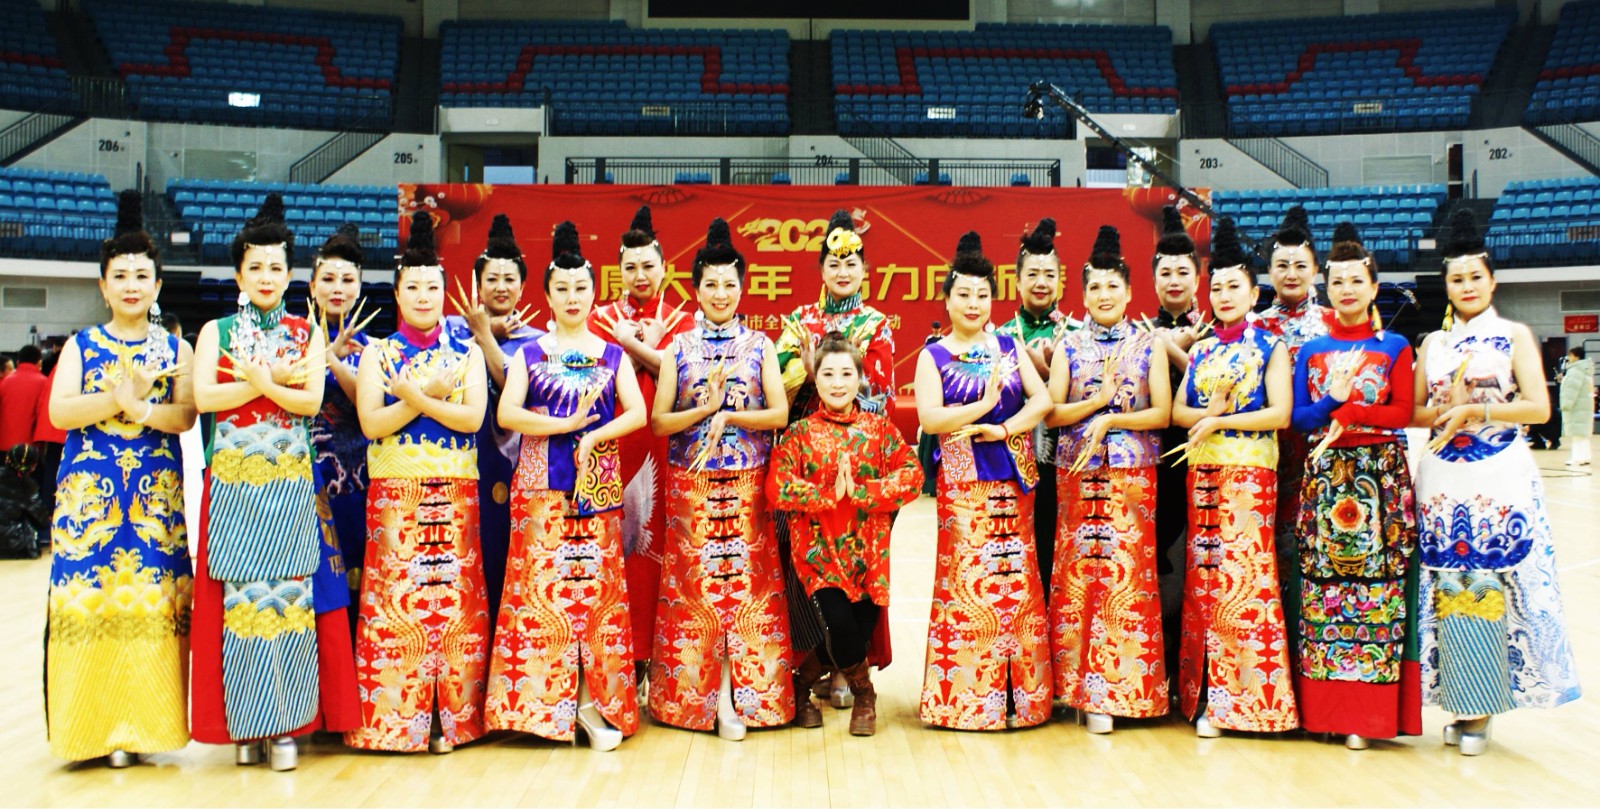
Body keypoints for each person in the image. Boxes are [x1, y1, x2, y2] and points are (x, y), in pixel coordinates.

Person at [1412, 209, 1582, 757]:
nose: (1466, 286)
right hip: (1443, 481)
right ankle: (1461, 702)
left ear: (1492, 281)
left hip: (1498, 479)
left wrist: (1476, 409)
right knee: (1448, 590)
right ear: (1446, 285)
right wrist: (1445, 408)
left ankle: (1481, 709)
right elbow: (1414, 412)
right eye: (1456, 279)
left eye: (1474, 277)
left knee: (1488, 587)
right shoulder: (1434, 345)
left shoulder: (1513, 336)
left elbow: (1538, 407)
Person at [43, 191, 195, 766]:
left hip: (155, 503)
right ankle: (89, 732)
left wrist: (143, 410)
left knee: (152, 607)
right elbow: (60, 413)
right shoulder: (81, 346)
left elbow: (186, 417)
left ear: (158, 286)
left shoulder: (175, 348)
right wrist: (117, 397)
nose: (132, 286)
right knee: (91, 605)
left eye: (142, 276)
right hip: (89, 505)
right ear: (103, 286)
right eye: (120, 277)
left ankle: (147, 730)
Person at [485, 222, 648, 751]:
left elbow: (638, 412)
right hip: (539, 486)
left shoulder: (610, 353)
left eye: (581, 288)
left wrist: (593, 433)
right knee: (539, 595)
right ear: (548, 295)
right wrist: (562, 425)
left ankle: (592, 703)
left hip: (596, 484)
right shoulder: (530, 354)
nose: (573, 297)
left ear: (594, 293)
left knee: (594, 598)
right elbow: (508, 413)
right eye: (563, 289)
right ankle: (540, 709)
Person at [191, 194, 338, 771]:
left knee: (291, 601)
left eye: (276, 267)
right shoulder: (216, 330)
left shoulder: (307, 332)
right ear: (238, 275)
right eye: (255, 267)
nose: (267, 276)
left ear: (290, 273)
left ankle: (287, 728)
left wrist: (263, 382)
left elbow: (311, 402)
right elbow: (205, 398)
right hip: (233, 484)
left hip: (289, 483)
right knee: (240, 604)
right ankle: (245, 726)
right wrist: (269, 381)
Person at [345, 211, 490, 755]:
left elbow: (472, 419)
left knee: (454, 610)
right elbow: (371, 424)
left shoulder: (467, 353)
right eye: (413, 287)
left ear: (444, 292)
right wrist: (425, 396)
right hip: (395, 499)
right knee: (396, 608)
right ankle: (394, 720)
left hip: (456, 497)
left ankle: (452, 719)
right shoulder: (376, 353)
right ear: (397, 294)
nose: (424, 297)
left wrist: (412, 397)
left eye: (432, 287)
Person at [649, 218, 793, 741]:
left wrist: (729, 415)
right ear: (696, 288)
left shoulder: (760, 345)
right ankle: (694, 699)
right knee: (695, 595)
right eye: (710, 283)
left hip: (747, 485)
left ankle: (747, 693)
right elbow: (659, 422)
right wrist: (703, 409)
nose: (720, 293)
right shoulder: (677, 348)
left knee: (748, 593)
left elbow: (778, 414)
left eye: (729, 283)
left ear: (742, 287)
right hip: (692, 488)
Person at [915, 231, 1052, 732]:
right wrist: (980, 407)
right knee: (967, 588)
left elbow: (1043, 401)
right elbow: (930, 419)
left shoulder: (1009, 346)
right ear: (947, 300)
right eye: (964, 294)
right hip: (963, 484)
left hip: (1013, 478)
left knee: (1016, 587)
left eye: (981, 294)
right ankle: (965, 701)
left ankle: (1021, 699)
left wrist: (1005, 427)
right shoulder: (933, 355)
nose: (973, 303)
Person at [1289, 221, 1419, 750]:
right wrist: (1330, 402)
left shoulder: (1395, 347)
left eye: (1355, 280)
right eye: (1337, 281)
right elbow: (1299, 418)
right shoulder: (1311, 349)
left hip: (1379, 480)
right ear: (1325, 288)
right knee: (1323, 590)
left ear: (1373, 286)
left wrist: (1353, 409)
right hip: (1325, 479)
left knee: (1378, 590)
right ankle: (1325, 711)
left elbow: (1403, 411)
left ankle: (1369, 717)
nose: (1346, 289)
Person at [1170, 218, 1299, 737]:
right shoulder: (1201, 349)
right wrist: (1207, 414)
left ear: (1253, 293)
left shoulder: (1271, 345)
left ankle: (1250, 702)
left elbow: (1281, 414)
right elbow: (1177, 412)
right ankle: (1205, 696)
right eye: (1217, 288)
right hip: (1202, 474)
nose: (1224, 296)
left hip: (1249, 477)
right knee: (1204, 584)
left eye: (1233, 287)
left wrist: (1219, 420)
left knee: (1246, 583)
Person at [1046, 225, 1172, 735]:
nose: (1103, 295)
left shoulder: (1149, 345)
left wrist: (1114, 419)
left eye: (1112, 286)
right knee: (1079, 580)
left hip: (1132, 475)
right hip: (1077, 474)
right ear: (1082, 295)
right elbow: (1053, 413)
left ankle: (1128, 691)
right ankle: (1075, 689)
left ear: (1129, 291)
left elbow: (1162, 413)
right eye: (1094, 287)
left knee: (1128, 579)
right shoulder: (1068, 345)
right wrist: (1096, 403)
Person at [773, 209, 897, 715]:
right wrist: (804, 374)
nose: (842, 271)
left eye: (851, 263)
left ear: (865, 269)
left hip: (864, 469)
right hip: (808, 467)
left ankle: (843, 668)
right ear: (820, 268)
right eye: (833, 263)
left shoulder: (877, 325)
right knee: (806, 573)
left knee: (862, 573)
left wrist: (831, 377)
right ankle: (818, 663)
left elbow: (882, 395)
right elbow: (776, 387)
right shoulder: (798, 322)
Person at [768, 336, 923, 735]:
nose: (837, 383)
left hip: (869, 552)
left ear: (859, 379)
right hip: (818, 551)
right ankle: (865, 694)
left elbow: (913, 475)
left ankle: (801, 685)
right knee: (839, 623)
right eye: (828, 374)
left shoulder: (880, 430)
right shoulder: (799, 434)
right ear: (815, 379)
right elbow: (776, 487)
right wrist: (827, 495)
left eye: (846, 374)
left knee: (855, 631)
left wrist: (865, 492)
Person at [587, 205, 694, 695]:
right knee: (618, 552)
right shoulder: (599, 319)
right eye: (630, 267)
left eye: (648, 265)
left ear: (665, 268)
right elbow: (595, 381)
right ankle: (620, 659)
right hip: (614, 449)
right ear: (619, 271)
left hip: (668, 450)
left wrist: (634, 348)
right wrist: (639, 348)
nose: (640, 275)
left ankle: (661, 658)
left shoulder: (683, 321)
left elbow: (686, 382)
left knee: (663, 551)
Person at [445, 213, 542, 620]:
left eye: (509, 279)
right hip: (461, 465)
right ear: (476, 283)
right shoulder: (448, 330)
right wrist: (482, 332)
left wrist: (487, 337)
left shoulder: (538, 341)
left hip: (514, 471)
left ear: (523, 286)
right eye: (492, 279)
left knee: (508, 564)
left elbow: (521, 395)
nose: (501, 287)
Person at [1255, 204, 1334, 668]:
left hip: (1323, 458)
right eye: (1281, 265)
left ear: (1316, 270)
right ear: (1268, 272)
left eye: (1300, 265)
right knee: (1273, 557)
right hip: (1269, 457)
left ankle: (1318, 665)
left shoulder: (1334, 324)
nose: (1290, 273)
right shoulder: (1256, 327)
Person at [996, 218, 1077, 596]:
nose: (1041, 282)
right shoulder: (999, 337)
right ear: (1016, 281)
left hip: (1069, 460)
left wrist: (1053, 374)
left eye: (1049, 274)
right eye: (1032, 274)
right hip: (1013, 462)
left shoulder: (1078, 334)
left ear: (1061, 280)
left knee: (1061, 546)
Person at [308, 223, 374, 631]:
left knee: (355, 580)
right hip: (305, 481)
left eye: (348, 280)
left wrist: (332, 359)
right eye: (328, 279)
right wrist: (322, 351)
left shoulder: (373, 348)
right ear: (312, 285)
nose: (338, 288)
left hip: (357, 484)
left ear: (360, 286)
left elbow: (368, 406)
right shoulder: (293, 341)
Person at [0, 344, 48, 451]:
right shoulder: (45, 383)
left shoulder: (5, 382)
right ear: (39, 362)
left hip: (3, 445)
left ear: (18, 362)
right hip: (29, 448)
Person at [1561, 346, 1593, 467]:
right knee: (1582, 434)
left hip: (1577, 406)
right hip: (1584, 405)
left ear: (1576, 356)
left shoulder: (1576, 371)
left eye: (1570, 355)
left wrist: (1566, 404)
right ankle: (1585, 456)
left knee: (1577, 434)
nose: (1569, 358)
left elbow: (1572, 390)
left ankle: (1577, 458)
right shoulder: (1585, 370)